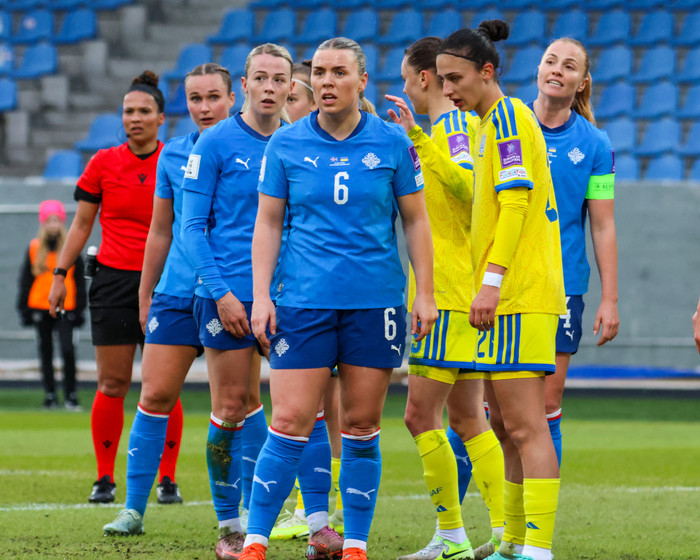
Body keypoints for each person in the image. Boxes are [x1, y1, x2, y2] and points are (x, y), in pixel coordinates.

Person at [242, 37, 438, 560]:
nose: (327, 81)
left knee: (361, 424)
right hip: (302, 303)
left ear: (361, 81)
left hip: (375, 304)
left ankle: (354, 544)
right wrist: (260, 296)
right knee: (289, 420)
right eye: (320, 73)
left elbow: (417, 221)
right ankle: (255, 541)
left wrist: (425, 293)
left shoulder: (393, 142)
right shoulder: (285, 144)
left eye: (339, 72)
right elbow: (268, 223)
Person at [436, 21, 566, 560]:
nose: (447, 89)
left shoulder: (509, 116)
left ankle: (538, 546)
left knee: (527, 426)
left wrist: (489, 284)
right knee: (505, 426)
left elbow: (515, 205)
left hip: (519, 294)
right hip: (505, 296)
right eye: (442, 79)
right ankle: (512, 540)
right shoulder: (490, 122)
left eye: (455, 78)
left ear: (486, 72)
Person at [102, 63, 236, 537]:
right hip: (176, 293)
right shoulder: (174, 154)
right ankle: (133, 510)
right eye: (195, 99)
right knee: (155, 395)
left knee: (237, 406)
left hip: (232, 296)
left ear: (233, 98)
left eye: (214, 97)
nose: (204, 107)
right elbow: (161, 231)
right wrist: (146, 294)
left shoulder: (262, 148)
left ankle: (243, 515)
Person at [386, 37, 505, 560]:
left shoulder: (452, 128)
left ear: (424, 78)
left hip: (448, 294)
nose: (404, 87)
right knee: (469, 419)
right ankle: (503, 532)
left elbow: (469, 187)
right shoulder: (446, 129)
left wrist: (417, 137)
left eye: (406, 78)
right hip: (457, 291)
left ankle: (453, 534)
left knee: (419, 416)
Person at [179, 44, 293, 560]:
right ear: (244, 86)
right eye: (260, 78)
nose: (269, 88)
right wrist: (222, 293)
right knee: (230, 407)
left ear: (290, 86)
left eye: (279, 79)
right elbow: (191, 229)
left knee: (297, 411)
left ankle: (309, 519)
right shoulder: (214, 142)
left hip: (289, 297)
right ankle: (230, 525)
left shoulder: (299, 141)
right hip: (225, 297)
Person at [48, 71, 178, 505]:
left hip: (165, 282)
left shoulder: (175, 160)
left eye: (144, 111)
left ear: (161, 118)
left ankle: (168, 479)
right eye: (128, 111)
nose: (134, 118)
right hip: (113, 282)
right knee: (112, 383)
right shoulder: (103, 163)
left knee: (164, 385)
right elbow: (81, 225)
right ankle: (104, 478)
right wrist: (59, 275)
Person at [529, 38, 619, 466]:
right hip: (504, 281)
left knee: (547, 405)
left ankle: (538, 506)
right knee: (490, 409)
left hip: (562, 286)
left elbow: (602, 225)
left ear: (582, 82)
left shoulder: (596, 144)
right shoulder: (505, 125)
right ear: (538, 69)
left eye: (568, 66)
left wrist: (610, 299)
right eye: (550, 61)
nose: (556, 70)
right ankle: (492, 506)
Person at [271, 58, 346, 542]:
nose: (285, 104)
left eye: (292, 96)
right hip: (293, 293)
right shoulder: (287, 151)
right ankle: (314, 507)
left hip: (324, 297)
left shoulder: (327, 155)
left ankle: (318, 507)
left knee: (326, 408)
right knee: (307, 409)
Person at [17, 200, 86, 410]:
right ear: (43, 223)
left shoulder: (71, 247)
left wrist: (79, 309)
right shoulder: (34, 248)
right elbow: (26, 280)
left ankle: (70, 394)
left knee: (67, 350)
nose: (53, 225)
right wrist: (24, 309)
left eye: (56, 220)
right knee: (45, 351)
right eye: (49, 220)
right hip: (40, 305)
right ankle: (50, 395)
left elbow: (79, 281)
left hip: (66, 306)